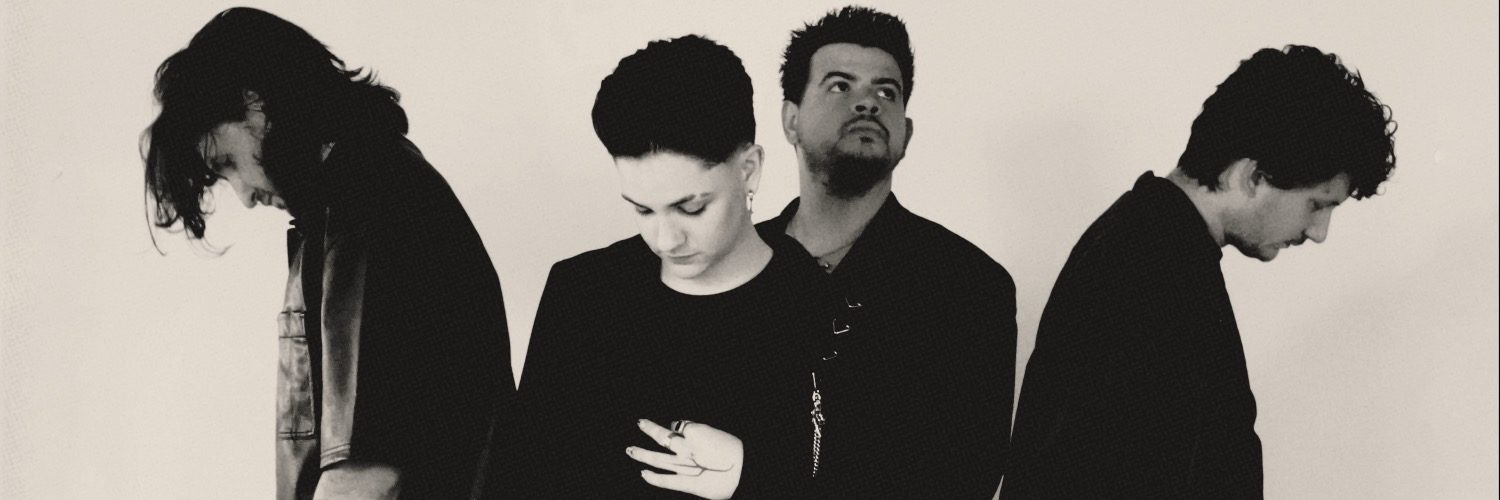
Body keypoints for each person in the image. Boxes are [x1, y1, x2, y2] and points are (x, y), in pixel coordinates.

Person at [142, 8, 514, 499]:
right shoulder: (366, 193)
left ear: (257, 105)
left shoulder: (369, 198)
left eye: (227, 162)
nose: (245, 196)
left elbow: (362, 478)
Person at [1004, 45, 1397, 498]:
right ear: (1251, 176)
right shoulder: (1154, 271)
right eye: (1317, 204)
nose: (1319, 232)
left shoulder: (1151, 245)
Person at [504, 35, 823, 499]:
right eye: (642, 209)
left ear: (749, 169)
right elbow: (521, 478)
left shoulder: (822, 312)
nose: (665, 240)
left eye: (691, 207)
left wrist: (752, 476)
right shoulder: (580, 293)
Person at [758, 6, 1018, 498]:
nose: (867, 104)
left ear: (907, 133)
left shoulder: (969, 286)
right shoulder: (734, 264)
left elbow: (966, 477)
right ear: (791, 120)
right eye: (840, 86)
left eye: (886, 92)